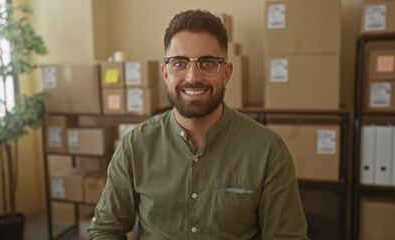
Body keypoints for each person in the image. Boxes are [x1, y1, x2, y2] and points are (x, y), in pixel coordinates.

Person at [87, 9, 309, 239]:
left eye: (208, 63)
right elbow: (104, 230)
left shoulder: (268, 150)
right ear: (165, 73)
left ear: (226, 73)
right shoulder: (135, 146)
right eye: (179, 63)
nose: (192, 76)